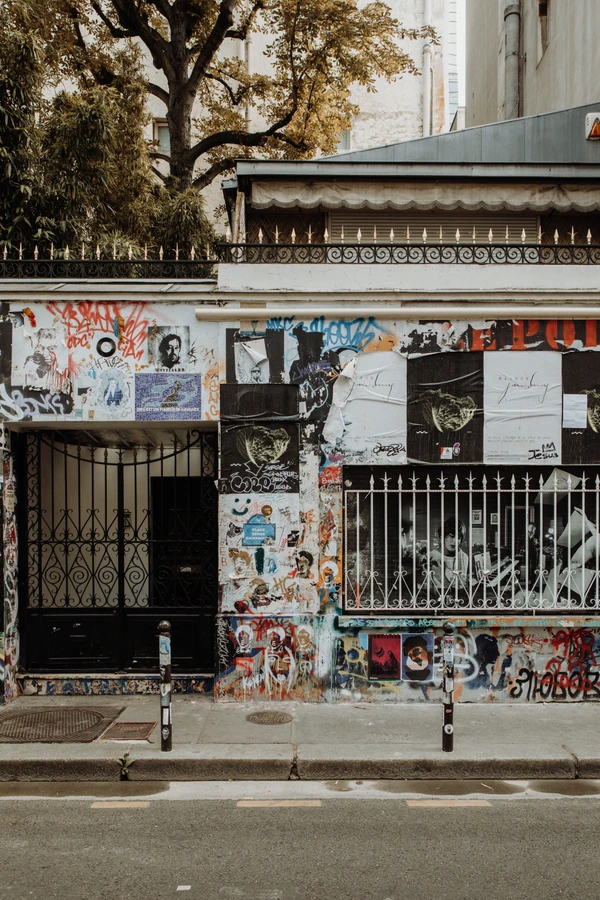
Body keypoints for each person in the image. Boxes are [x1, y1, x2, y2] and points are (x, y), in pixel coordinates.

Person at [430, 517, 469, 592]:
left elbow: (462, 585)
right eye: (452, 536)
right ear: (442, 537)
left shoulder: (464, 557)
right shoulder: (431, 556)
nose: (455, 541)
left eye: (458, 538)